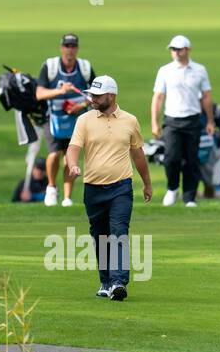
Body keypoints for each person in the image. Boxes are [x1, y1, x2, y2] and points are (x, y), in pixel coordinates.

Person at [66, 75, 154, 301]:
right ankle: (105, 281)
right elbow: (74, 147)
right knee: (100, 236)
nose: (92, 99)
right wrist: (74, 165)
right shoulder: (84, 120)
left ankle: (118, 282)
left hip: (121, 187)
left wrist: (147, 182)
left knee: (119, 233)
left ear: (111, 96)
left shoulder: (130, 121)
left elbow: (138, 154)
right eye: (91, 95)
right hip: (93, 188)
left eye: (97, 95)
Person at [150, 34, 213, 208]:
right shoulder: (165, 70)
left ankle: (189, 197)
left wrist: (210, 121)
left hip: (193, 120)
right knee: (171, 158)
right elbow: (158, 97)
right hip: (172, 120)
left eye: (179, 49)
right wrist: (154, 122)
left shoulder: (200, 70)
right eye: (173, 49)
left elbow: (206, 97)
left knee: (191, 161)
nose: (176, 52)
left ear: (187, 50)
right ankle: (172, 188)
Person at [35, 33, 93, 207]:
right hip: (53, 117)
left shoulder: (84, 67)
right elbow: (39, 93)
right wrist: (60, 92)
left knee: (70, 158)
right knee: (53, 154)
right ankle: (51, 188)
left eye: (73, 46)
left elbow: (94, 94)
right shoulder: (50, 66)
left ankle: (67, 198)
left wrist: (81, 106)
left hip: (76, 119)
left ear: (77, 48)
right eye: (67, 46)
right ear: (61, 48)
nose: (70, 49)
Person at [195, 101, 220, 199]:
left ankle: (208, 197)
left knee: (209, 183)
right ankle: (190, 198)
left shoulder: (215, 110)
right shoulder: (188, 109)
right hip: (191, 148)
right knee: (191, 179)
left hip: (209, 150)